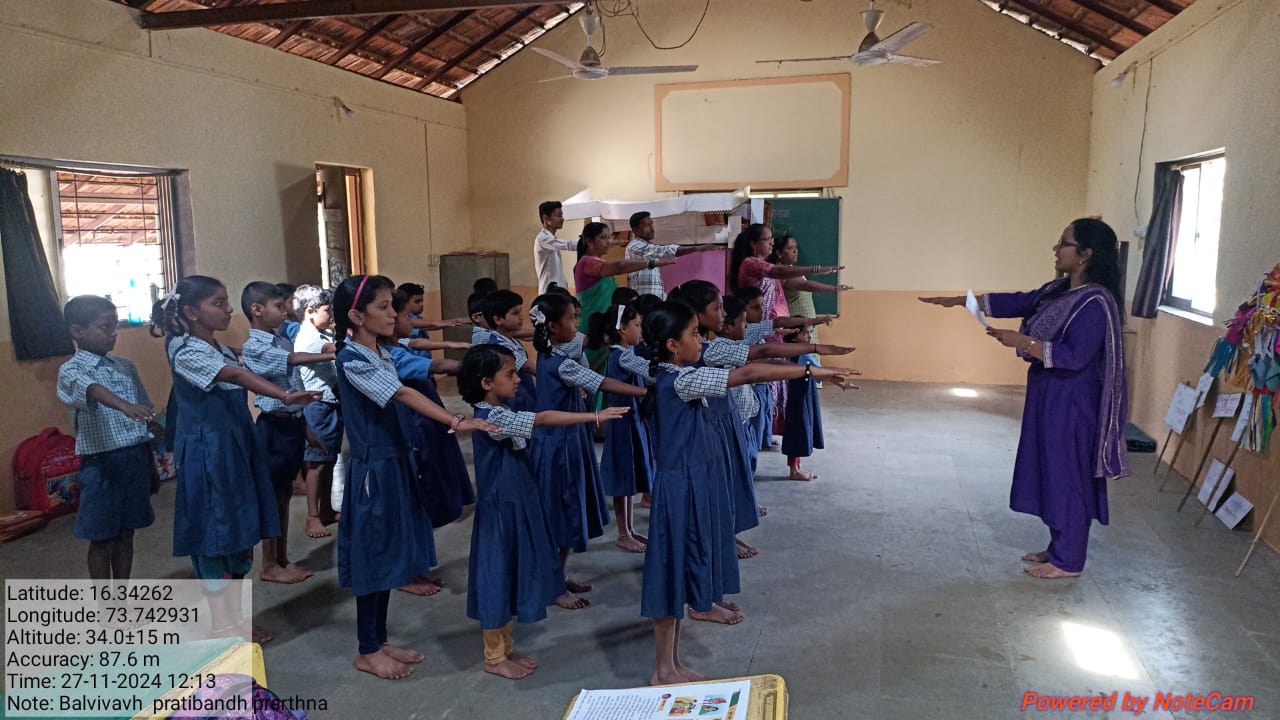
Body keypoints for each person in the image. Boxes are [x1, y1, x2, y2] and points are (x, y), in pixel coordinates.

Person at [639, 302, 856, 684]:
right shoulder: (679, 382)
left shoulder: (684, 374)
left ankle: (671, 663)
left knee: (684, 568)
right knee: (671, 573)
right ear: (672, 345)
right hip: (678, 490)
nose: (701, 341)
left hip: (692, 484)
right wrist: (812, 370)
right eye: (694, 334)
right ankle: (662, 669)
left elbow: (755, 362)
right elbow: (750, 371)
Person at [919, 218, 1130, 579]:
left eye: (1064, 243)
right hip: (1049, 394)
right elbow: (1020, 300)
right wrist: (964, 301)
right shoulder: (1059, 290)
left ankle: (1069, 560)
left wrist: (1024, 343)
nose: (1056, 249)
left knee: (1068, 474)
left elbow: (1075, 355)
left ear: (1085, 254)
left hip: (1073, 402)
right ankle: (1059, 546)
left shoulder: (1095, 302)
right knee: (1051, 468)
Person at [329, 274, 497, 680]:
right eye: (384, 307)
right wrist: (456, 420)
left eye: (393, 305)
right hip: (375, 470)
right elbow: (402, 393)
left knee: (389, 554)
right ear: (357, 316)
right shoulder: (351, 359)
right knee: (374, 557)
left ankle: (380, 639)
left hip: (396, 462)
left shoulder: (380, 352)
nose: (394, 314)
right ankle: (367, 649)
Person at [152, 276, 321, 644]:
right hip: (209, 452)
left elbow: (243, 362)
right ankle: (222, 623)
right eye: (218, 303)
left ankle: (236, 618)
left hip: (236, 447)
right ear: (191, 312)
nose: (229, 309)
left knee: (240, 529)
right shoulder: (185, 350)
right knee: (216, 534)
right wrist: (284, 395)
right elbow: (235, 375)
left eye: (226, 301)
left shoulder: (219, 347)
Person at [459, 345, 627, 680]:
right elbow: (543, 419)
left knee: (511, 574)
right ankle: (494, 656)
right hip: (501, 511)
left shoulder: (500, 409)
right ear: (486, 383)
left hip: (516, 504)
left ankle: (505, 646)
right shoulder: (493, 418)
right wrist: (594, 416)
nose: (518, 379)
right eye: (509, 374)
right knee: (498, 576)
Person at [529, 292, 646, 609]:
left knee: (566, 512)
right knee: (562, 513)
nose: (577, 324)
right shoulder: (560, 364)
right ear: (553, 327)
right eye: (572, 318)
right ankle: (552, 585)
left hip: (569, 441)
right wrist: (646, 391)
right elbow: (602, 383)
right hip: (560, 447)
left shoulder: (550, 356)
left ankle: (559, 575)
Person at [58, 295, 161, 587]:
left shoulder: (125, 367)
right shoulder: (71, 370)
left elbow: (144, 413)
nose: (113, 333)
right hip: (102, 466)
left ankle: (121, 598)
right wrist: (123, 405)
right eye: (105, 327)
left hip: (135, 459)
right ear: (77, 331)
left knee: (127, 532)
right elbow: (90, 389)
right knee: (102, 538)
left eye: (115, 326)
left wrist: (151, 461)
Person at [240, 282, 336, 584]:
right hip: (273, 428)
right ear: (257, 310)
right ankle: (269, 563)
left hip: (292, 424)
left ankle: (281, 558)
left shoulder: (280, 339)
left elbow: (295, 385)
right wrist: (332, 355)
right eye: (279, 306)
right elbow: (292, 361)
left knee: (283, 497)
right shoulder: (255, 346)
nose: (286, 311)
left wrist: (307, 430)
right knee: (272, 498)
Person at [731, 224, 840, 440]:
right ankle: (759, 435)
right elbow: (780, 273)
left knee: (775, 379)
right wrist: (816, 269)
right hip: (760, 331)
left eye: (772, 238)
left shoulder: (765, 265)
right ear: (753, 243)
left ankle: (766, 433)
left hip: (772, 329)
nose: (772, 242)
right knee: (764, 380)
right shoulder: (751, 263)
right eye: (767, 239)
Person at [587, 303, 654, 553]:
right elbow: (648, 371)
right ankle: (623, 533)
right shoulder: (622, 355)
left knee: (629, 475)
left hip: (631, 420)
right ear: (623, 328)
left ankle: (630, 530)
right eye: (637, 325)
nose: (641, 330)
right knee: (622, 477)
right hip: (622, 423)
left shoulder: (627, 351)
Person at [575, 221, 675, 374]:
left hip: (605, 325)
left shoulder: (598, 262)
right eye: (603, 238)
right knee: (591, 374)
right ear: (589, 241)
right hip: (592, 325)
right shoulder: (586, 263)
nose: (608, 242)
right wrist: (652, 263)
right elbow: (619, 266)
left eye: (609, 237)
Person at [294, 285, 343, 539]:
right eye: (327, 310)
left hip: (330, 403)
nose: (331, 315)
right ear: (310, 312)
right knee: (317, 462)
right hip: (317, 406)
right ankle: (312, 516)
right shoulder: (309, 339)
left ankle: (326, 510)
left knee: (329, 460)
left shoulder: (321, 334)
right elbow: (332, 351)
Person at [771, 234, 852, 346]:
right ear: (779, 253)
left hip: (807, 325)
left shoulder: (792, 270)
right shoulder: (782, 272)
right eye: (790, 248)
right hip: (797, 328)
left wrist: (821, 270)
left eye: (796, 247)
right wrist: (834, 288)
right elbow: (806, 285)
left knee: (812, 351)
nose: (795, 251)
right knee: (803, 354)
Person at [624, 211, 721, 299]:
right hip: (643, 303)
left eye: (651, 224)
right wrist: (696, 248)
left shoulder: (648, 246)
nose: (652, 229)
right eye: (647, 225)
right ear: (636, 230)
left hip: (653, 301)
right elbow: (664, 251)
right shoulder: (635, 246)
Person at [781, 325, 832, 480]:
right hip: (801, 401)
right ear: (794, 336)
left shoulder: (788, 353)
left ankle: (797, 466)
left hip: (797, 399)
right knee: (798, 432)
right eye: (805, 333)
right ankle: (794, 471)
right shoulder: (804, 357)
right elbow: (821, 374)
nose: (810, 337)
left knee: (796, 432)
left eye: (811, 333)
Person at [478, 290, 538, 411]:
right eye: (515, 313)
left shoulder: (511, 339)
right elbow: (528, 367)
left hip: (524, 395)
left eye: (520, 312)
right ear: (498, 319)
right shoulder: (499, 344)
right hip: (513, 400)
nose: (521, 317)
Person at [534, 201, 577, 294]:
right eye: (558, 215)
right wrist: (587, 242)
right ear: (546, 218)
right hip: (549, 292)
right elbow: (568, 245)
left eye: (562, 215)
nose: (562, 219)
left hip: (558, 290)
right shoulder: (543, 238)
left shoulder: (552, 238)